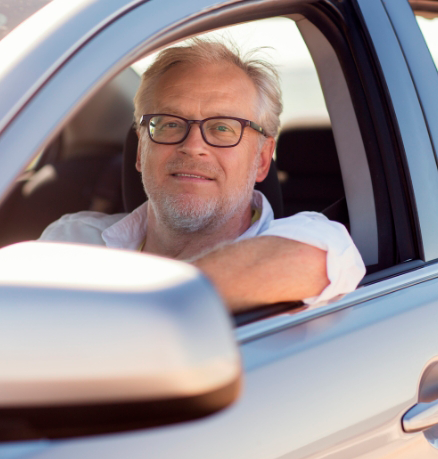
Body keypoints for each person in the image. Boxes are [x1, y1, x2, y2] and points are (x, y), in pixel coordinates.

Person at [39, 39, 365, 313]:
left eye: (223, 128)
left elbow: (315, 260)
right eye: (170, 124)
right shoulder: (73, 241)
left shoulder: (308, 241)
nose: (193, 147)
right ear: (140, 150)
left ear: (262, 158)